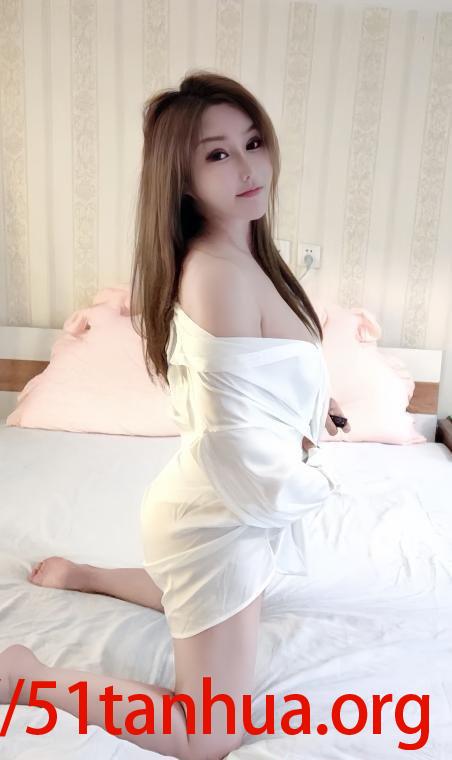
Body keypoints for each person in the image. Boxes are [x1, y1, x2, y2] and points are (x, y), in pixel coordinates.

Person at [1, 70, 349, 759]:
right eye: (217, 154)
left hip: (213, 508)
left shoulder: (249, 256)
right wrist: (318, 481)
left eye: (252, 142)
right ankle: (27, 676)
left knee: (206, 595)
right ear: (183, 181)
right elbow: (234, 443)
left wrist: (319, 408)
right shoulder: (217, 272)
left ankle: (87, 575)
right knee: (206, 734)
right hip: (216, 519)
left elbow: (266, 376)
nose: (247, 167)